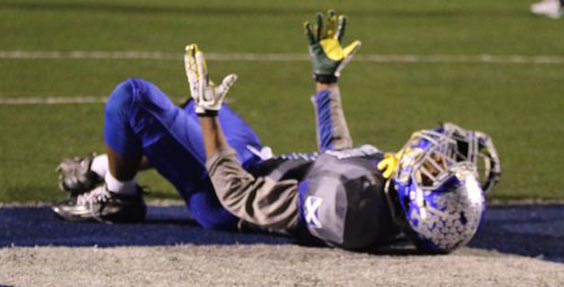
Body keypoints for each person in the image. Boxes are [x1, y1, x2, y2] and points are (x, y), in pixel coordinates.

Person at [53, 10, 501, 253]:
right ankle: (100, 166)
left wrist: (211, 119)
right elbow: (337, 157)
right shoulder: (384, 195)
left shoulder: (347, 209)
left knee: (133, 99)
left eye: (433, 172)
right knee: (184, 108)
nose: (432, 158)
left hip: (228, 189)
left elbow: (239, 197)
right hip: (261, 161)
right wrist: (327, 84)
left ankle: (118, 196)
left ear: (418, 204)